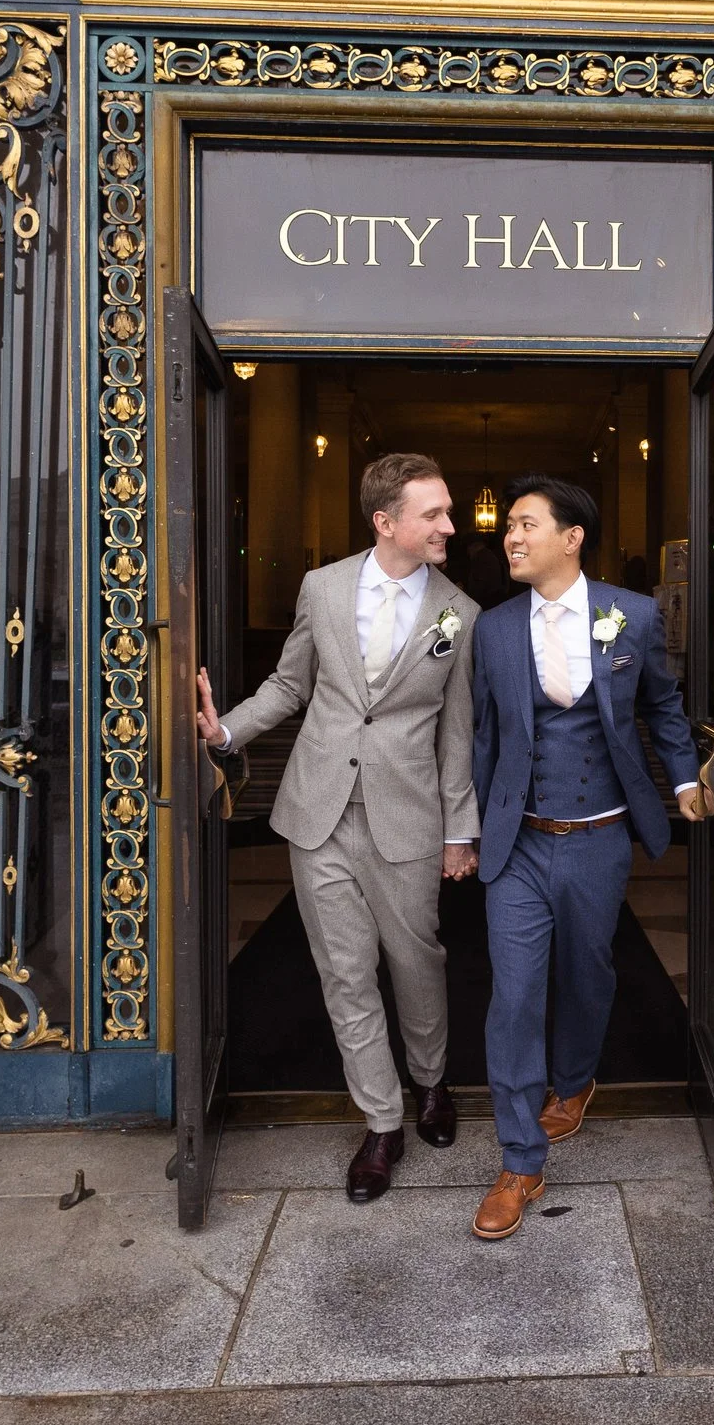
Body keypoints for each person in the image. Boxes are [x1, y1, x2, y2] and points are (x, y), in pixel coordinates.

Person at [196, 453, 481, 1203]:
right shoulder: (322, 588)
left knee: (416, 961)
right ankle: (382, 1121)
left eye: (449, 510)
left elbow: (458, 732)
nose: (450, 525)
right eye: (434, 514)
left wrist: (461, 829)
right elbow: (290, 684)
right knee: (345, 972)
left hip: (409, 816)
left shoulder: (458, 610)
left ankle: (430, 1080)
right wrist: (224, 731)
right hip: (317, 812)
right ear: (387, 522)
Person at [465, 475, 704, 1240]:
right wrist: (471, 827)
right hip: (522, 842)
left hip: (600, 836)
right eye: (508, 525)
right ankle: (520, 1159)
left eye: (526, 523)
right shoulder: (494, 628)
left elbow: (662, 704)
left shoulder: (629, 615)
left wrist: (687, 777)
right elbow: (483, 736)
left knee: (589, 973)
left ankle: (574, 1083)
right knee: (513, 994)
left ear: (572, 536)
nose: (511, 535)